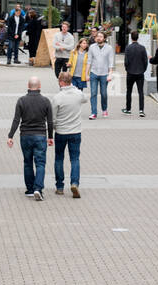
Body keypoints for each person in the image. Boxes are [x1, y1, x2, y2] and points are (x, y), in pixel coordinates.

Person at [6, 75, 53, 199]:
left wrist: (10, 136)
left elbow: (16, 120)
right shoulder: (46, 101)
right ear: (39, 86)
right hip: (40, 135)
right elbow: (50, 121)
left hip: (25, 136)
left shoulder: (21, 100)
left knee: (27, 163)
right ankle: (38, 188)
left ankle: (30, 189)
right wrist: (50, 136)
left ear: (28, 86)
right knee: (40, 163)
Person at [53, 69, 84, 198]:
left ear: (61, 82)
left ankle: (60, 186)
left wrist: (53, 129)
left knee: (59, 158)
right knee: (75, 158)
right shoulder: (78, 94)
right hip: (75, 131)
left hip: (61, 131)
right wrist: (75, 88)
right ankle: (75, 183)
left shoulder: (57, 98)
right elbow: (85, 99)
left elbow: (53, 118)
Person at [87, 30, 114, 119]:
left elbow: (111, 62)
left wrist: (110, 74)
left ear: (104, 38)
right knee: (93, 93)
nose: (98, 38)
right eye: (97, 36)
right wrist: (87, 74)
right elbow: (89, 61)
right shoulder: (92, 47)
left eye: (101, 36)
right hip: (93, 73)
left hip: (104, 74)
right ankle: (93, 112)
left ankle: (104, 109)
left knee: (104, 93)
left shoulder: (109, 48)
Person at [122, 31, 148, 116]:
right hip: (140, 72)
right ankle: (141, 110)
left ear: (131, 37)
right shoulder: (142, 48)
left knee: (129, 91)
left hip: (130, 72)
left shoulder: (128, 48)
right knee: (141, 92)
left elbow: (126, 61)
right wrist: (143, 70)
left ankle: (128, 109)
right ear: (138, 37)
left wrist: (127, 69)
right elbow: (145, 61)